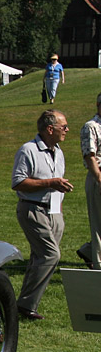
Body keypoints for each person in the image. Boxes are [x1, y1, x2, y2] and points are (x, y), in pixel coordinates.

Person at [12, 110, 74, 321]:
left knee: (40, 258)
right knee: (50, 255)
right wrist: (51, 183)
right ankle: (26, 306)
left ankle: (23, 305)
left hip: (54, 211)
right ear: (50, 129)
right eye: (63, 126)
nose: (67, 130)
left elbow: (58, 183)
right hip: (32, 209)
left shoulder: (59, 152)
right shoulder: (28, 150)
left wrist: (59, 212)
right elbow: (18, 183)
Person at [77, 92, 101, 269]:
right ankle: (99, 265)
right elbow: (89, 156)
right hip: (98, 177)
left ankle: (88, 250)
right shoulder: (91, 126)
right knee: (99, 224)